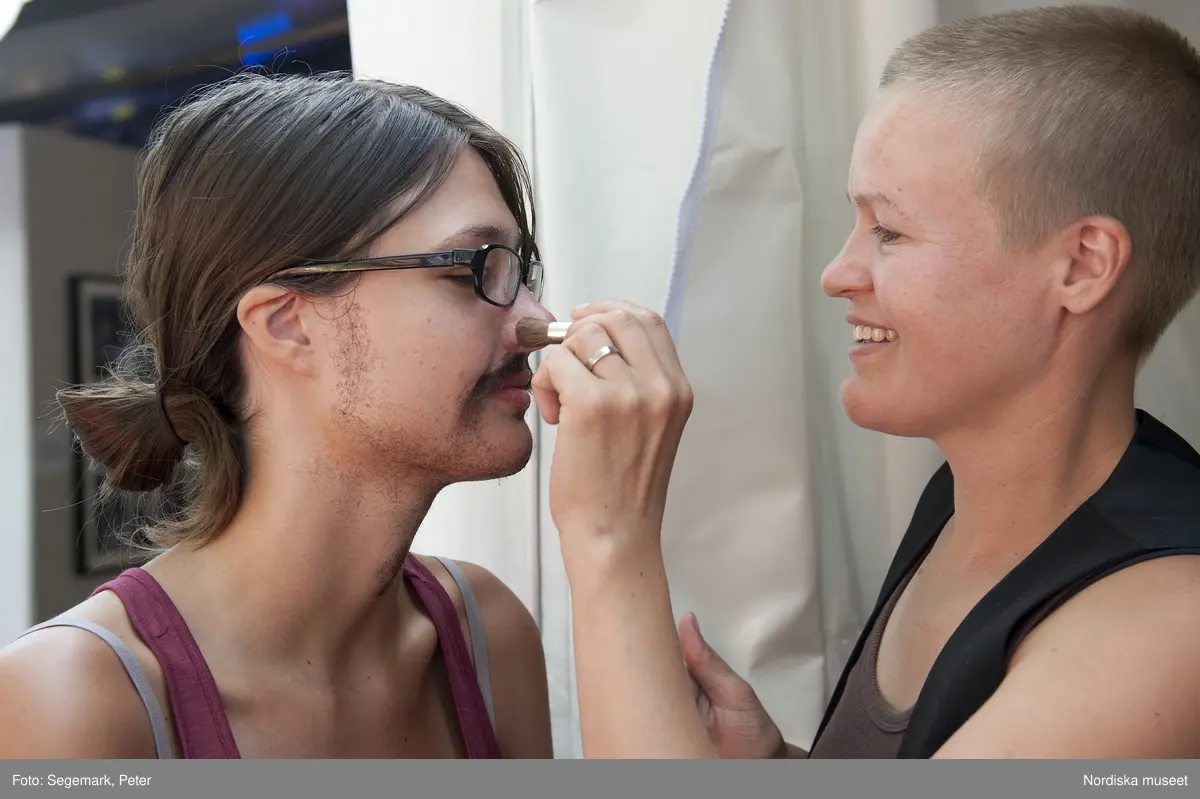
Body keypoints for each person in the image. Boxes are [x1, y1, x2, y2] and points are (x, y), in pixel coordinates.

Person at [531, 5, 1200, 759]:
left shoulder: (1166, 627)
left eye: (890, 230)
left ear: (1082, 265)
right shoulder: (965, 501)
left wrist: (608, 537)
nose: (838, 274)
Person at [0, 72, 555, 759]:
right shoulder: (74, 699)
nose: (538, 319)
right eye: (477, 266)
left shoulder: (485, 633)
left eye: (522, 269)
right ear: (288, 324)